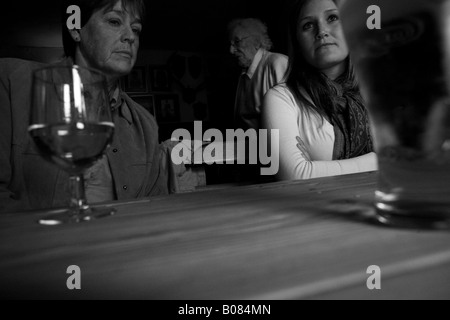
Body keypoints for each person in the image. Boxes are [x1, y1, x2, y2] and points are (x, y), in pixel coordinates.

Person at [0, 0, 169, 213]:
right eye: (115, 21)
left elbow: (156, 209)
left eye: (136, 29)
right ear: (76, 29)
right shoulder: (10, 82)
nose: (130, 36)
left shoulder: (145, 124)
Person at [261, 0, 377, 181]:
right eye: (307, 25)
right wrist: (379, 160)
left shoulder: (379, 89)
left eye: (332, 18)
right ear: (297, 41)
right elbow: (294, 176)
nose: (321, 31)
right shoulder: (281, 98)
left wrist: (317, 168)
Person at [228, 18, 288, 131]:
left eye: (237, 42)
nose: (231, 50)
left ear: (256, 41)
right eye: (231, 44)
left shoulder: (277, 63)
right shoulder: (243, 74)